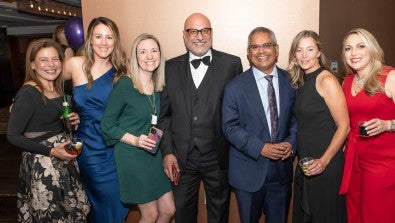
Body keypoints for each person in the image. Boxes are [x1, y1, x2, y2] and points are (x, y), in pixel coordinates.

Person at [158, 12, 243, 223]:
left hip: (218, 156)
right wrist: (168, 152)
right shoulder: (168, 67)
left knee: (219, 212)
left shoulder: (232, 64)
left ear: (211, 33)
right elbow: (164, 116)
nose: (199, 36)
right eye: (193, 31)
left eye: (205, 30)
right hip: (181, 158)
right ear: (184, 35)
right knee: (183, 214)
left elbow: (240, 112)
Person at [7, 38, 90, 222]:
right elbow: (12, 135)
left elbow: (47, 122)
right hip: (43, 165)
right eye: (43, 60)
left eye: (55, 59)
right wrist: (51, 151)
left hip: (64, 163)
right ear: (33, 65)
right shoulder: (29, 93)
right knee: (52, 216)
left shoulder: (59, 89)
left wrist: (73, 121)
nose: (51, 65)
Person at [222, 27, 297, 223]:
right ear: (248, 52)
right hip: (247, 173)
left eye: (266, 45)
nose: (261, 51)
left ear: (276, 49)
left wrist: (291, 143)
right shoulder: (235, 87)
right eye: (255, 47)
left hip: (281, 173)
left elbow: (297, 120)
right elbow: (229, 127)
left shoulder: (292, 81)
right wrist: (260, 148)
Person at [101, 33, 175, 222]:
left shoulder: (160, 85)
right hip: (132, 155)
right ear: (135, 56)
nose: (149, 56)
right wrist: (135, 140)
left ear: (160, 54)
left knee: (168, 210)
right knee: (150, 215)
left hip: (153, 153)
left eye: (154, 51)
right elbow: (107, 125)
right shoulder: (125, 84)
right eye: (143, 51)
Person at [63, 17, 129, 222]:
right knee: (104, 201)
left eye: (109, 37)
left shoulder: (122, 71)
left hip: (117, 148)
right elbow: (48, 81)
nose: (103, 42)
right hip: (90, 149)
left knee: (120, 202)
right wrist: (27, 93)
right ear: (90, 39)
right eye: (98, 36)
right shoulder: (75, 64)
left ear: (115, 41)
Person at [287, 30, 349, 223]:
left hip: (326, 164)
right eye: (299, 50)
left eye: (310, 49)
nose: (304, 55)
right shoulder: (303, 82)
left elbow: (344, 126)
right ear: (294, 55)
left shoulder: (326, 79)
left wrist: (324, 160)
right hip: (308, 164)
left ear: (319, 52)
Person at [339, 28, 395, 223]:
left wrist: (388, 124)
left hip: (384, 163)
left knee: (376, 215)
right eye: (348, 48)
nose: (353, 53)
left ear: (372, 49)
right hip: (354, 160)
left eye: (360, 46)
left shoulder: (389, 77)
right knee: (353, 213)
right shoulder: (346, 82)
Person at [53, 24, 75, 96]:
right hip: (66, 86)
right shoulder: (67, 49)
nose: (70, 34)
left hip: (57, 84)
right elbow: (69, 71)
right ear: (59, 35)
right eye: (65, 32)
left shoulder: (53, 48)